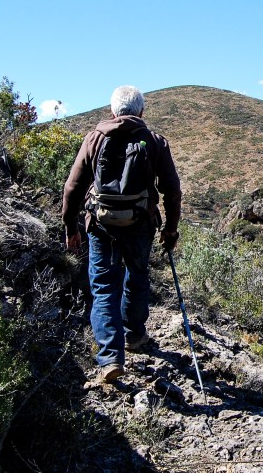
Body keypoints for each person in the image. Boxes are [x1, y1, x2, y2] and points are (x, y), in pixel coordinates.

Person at [61, 85, 182, 382]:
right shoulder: (154, 141)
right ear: (141, 111)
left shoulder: (94, 138)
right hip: (141, 224)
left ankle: (110, 358)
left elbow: (73, 187)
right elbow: (172, 190)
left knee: (104, 287)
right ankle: (134, 335)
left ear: (112, 111)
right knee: (137, 276)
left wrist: (71, 227)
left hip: (101, 225)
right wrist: (170, 229)